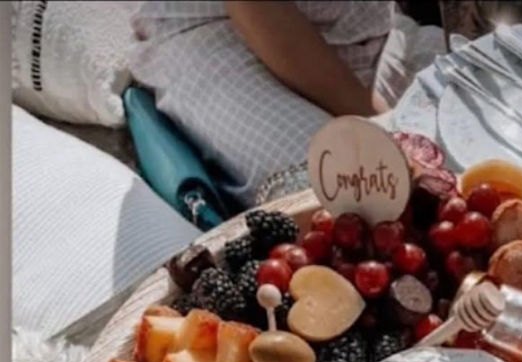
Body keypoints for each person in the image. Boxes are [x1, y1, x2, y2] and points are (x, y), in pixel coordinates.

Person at [130, 1, 442, 207]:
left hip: (361, 24)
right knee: (354, 189)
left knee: (484, 105)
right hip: (215, 29)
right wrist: (379, 123)